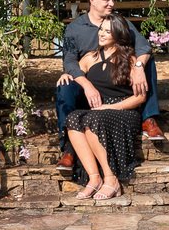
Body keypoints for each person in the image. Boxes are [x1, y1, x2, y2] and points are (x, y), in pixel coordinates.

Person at [55, 0, 164, 172]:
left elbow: (143, 46)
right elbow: (70, 61)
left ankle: (149, 117)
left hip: (116, 79)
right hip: (87, 79)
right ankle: (69, 150)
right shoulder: (75, 29)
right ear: (93, 0)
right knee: (64, 87)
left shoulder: (120, 23)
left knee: (147, 61)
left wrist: (138, 66)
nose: (112, 4)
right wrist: (86, 85)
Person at [59, 14, 145, 199]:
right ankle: (94, 178)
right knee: (72, 118)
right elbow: (75, 74)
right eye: (101, 29)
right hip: (99, 112)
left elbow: (140, 97)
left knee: (91, 118)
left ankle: (111, 178)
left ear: (118, 34)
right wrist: (65, 76)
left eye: (108, 31)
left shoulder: (129, 59)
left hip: (124, 111)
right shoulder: (91, 57)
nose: (102, 34)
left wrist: (112, 108)